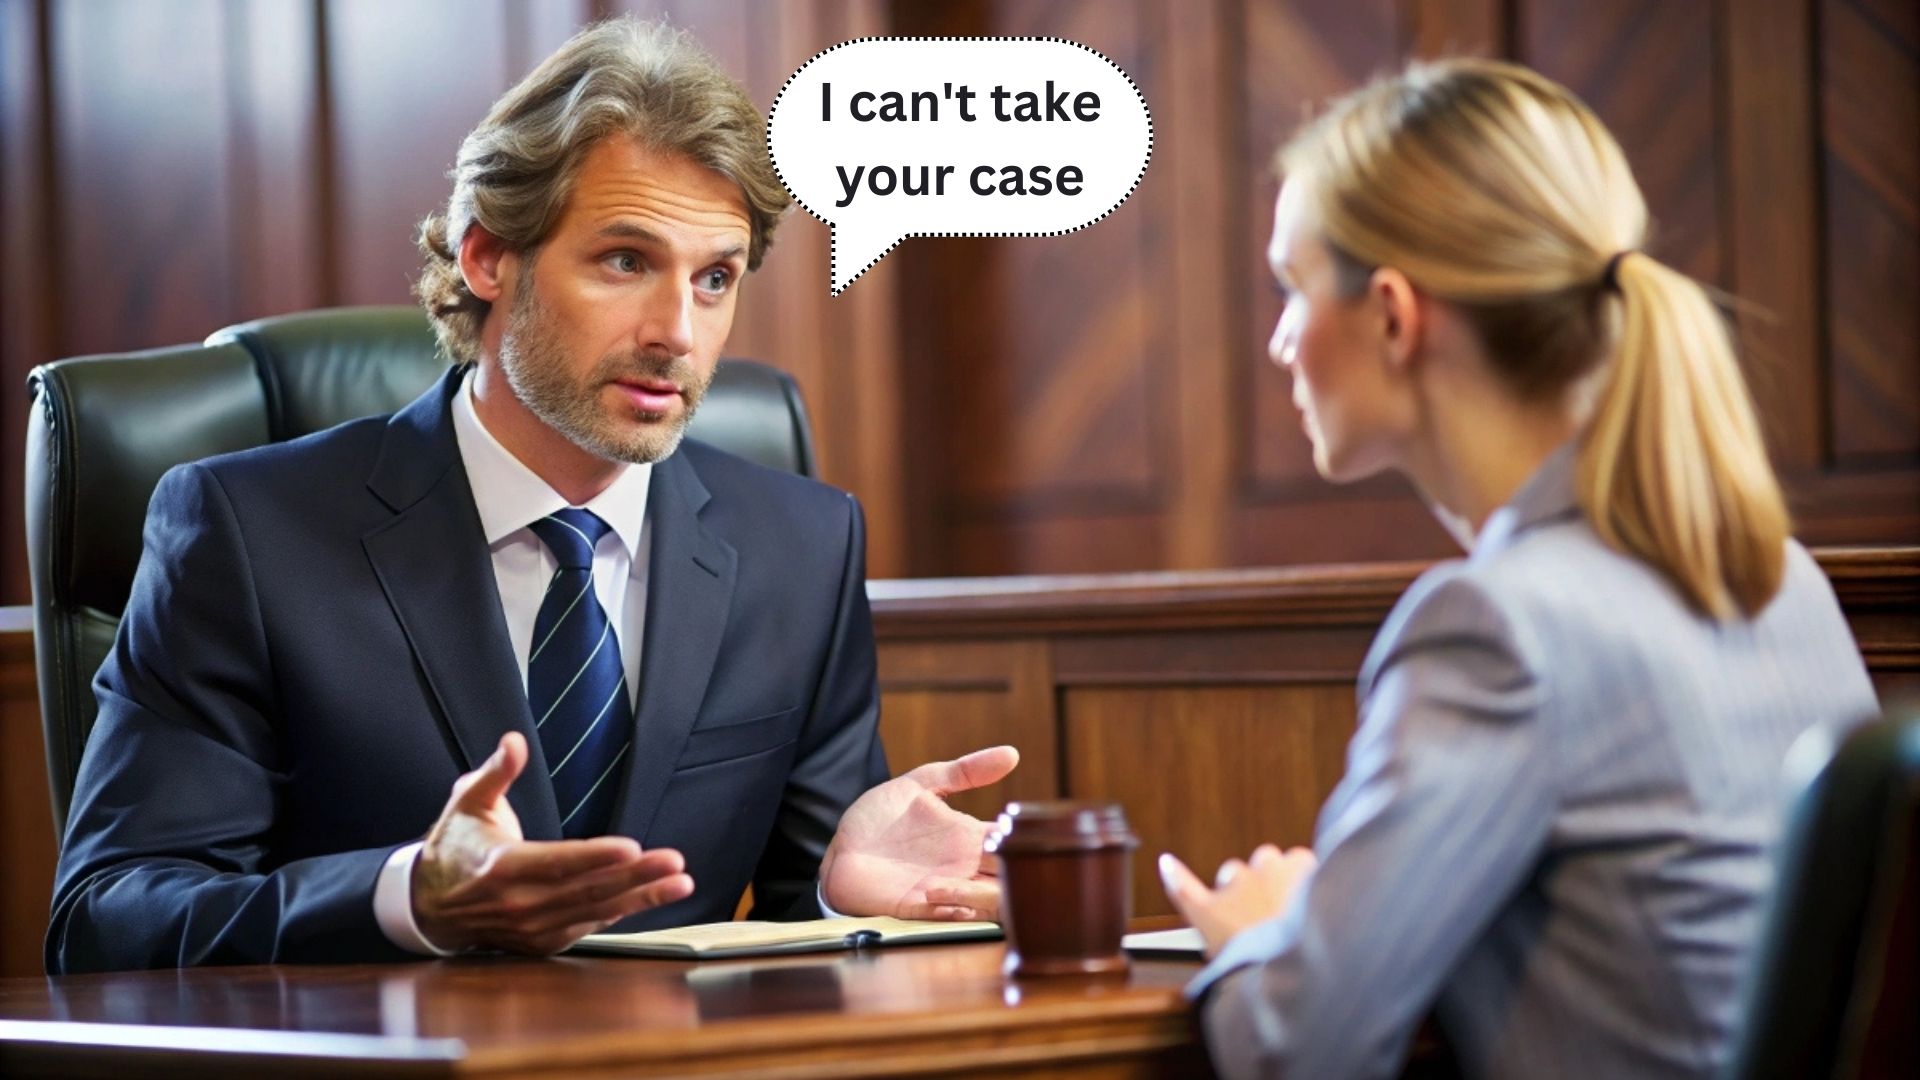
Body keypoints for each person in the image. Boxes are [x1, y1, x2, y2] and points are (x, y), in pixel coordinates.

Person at [46, 18, 1011, 974]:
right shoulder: (248, 534)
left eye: (714, 278)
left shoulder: (802, 545)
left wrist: (848, 899)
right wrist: (406, 897)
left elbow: (803, 919)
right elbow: (108, 916)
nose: (678, 332)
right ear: (487, 256)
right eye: (626, 261)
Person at [1157, 59, 1879, 1079]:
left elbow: (1297, 1047)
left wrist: (1270, 933)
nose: (1279, 339)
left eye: (1292, 286)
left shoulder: (1498, 627)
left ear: (1397, 318)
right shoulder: (1783, 582)